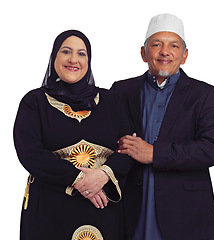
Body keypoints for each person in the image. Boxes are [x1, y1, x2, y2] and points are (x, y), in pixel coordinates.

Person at [112, 13, 214, 240]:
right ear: (144, 53)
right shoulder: (121, 91)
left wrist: (155, 153)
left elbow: (211, 149)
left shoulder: (205, 95)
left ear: (184, 55)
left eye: (174, 45)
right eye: (156, 44)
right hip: (130, 211)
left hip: (186, 215)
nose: (165, 52)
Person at [14, 30, 133, 240]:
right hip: (50, 210)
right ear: (54, 58)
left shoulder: (111, 101)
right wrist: (78, 179)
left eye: (81, 53)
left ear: (89, 60)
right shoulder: (35, 102)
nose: (73, 59)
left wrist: (103, 174)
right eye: (66, 51)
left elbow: (129, 148)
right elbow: (29, 152)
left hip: (103, 210)